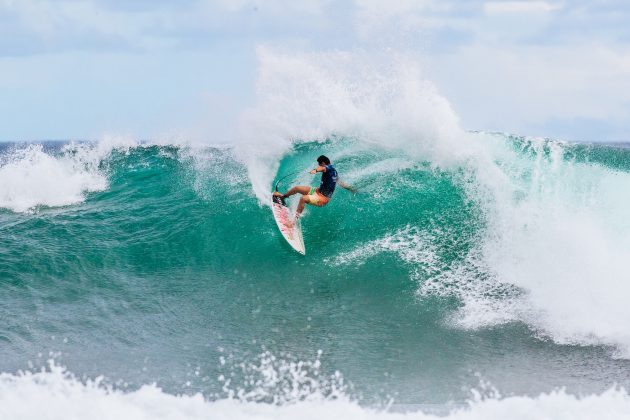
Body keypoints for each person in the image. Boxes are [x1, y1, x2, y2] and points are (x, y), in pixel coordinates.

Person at [273, 155, 353, 227]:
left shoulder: (327, 168)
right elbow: (340, 183)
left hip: (323, 199)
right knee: (297, 188)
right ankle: (283, 197)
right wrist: (351, 189)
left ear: (323, 163)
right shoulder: (334, 172)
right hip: (317, 191)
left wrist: (315, 170)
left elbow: (322, 168)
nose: (318, 165)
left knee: (303, 199)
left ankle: (293, 222)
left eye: (319, 164)